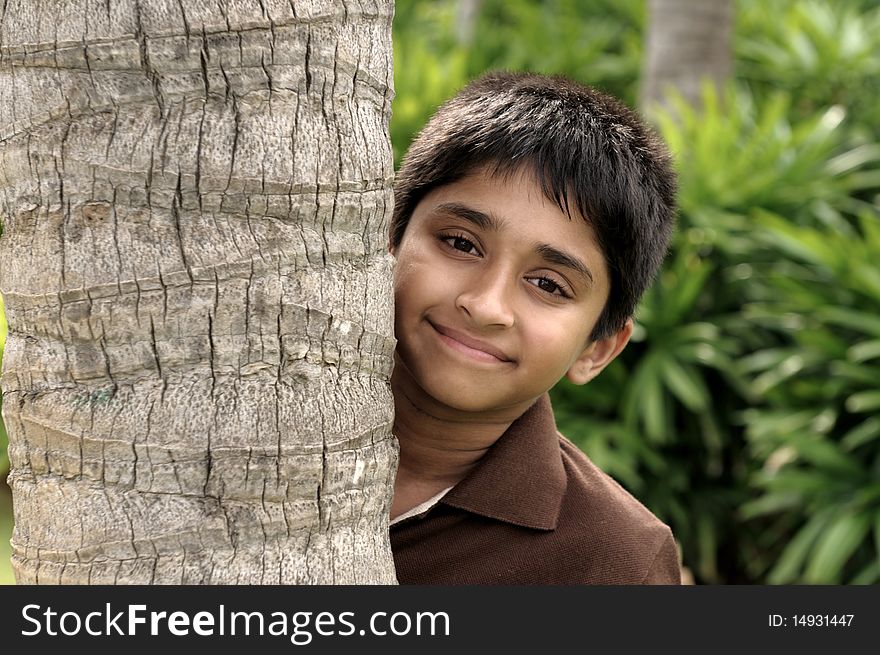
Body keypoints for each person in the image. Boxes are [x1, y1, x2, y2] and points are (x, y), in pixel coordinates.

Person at [387, 71, 680, 584]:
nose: (485, 305)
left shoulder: (616, 563)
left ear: (598, 349)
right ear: (387, 239)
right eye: (460, 243)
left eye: (548, 284)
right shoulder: (233, 408)